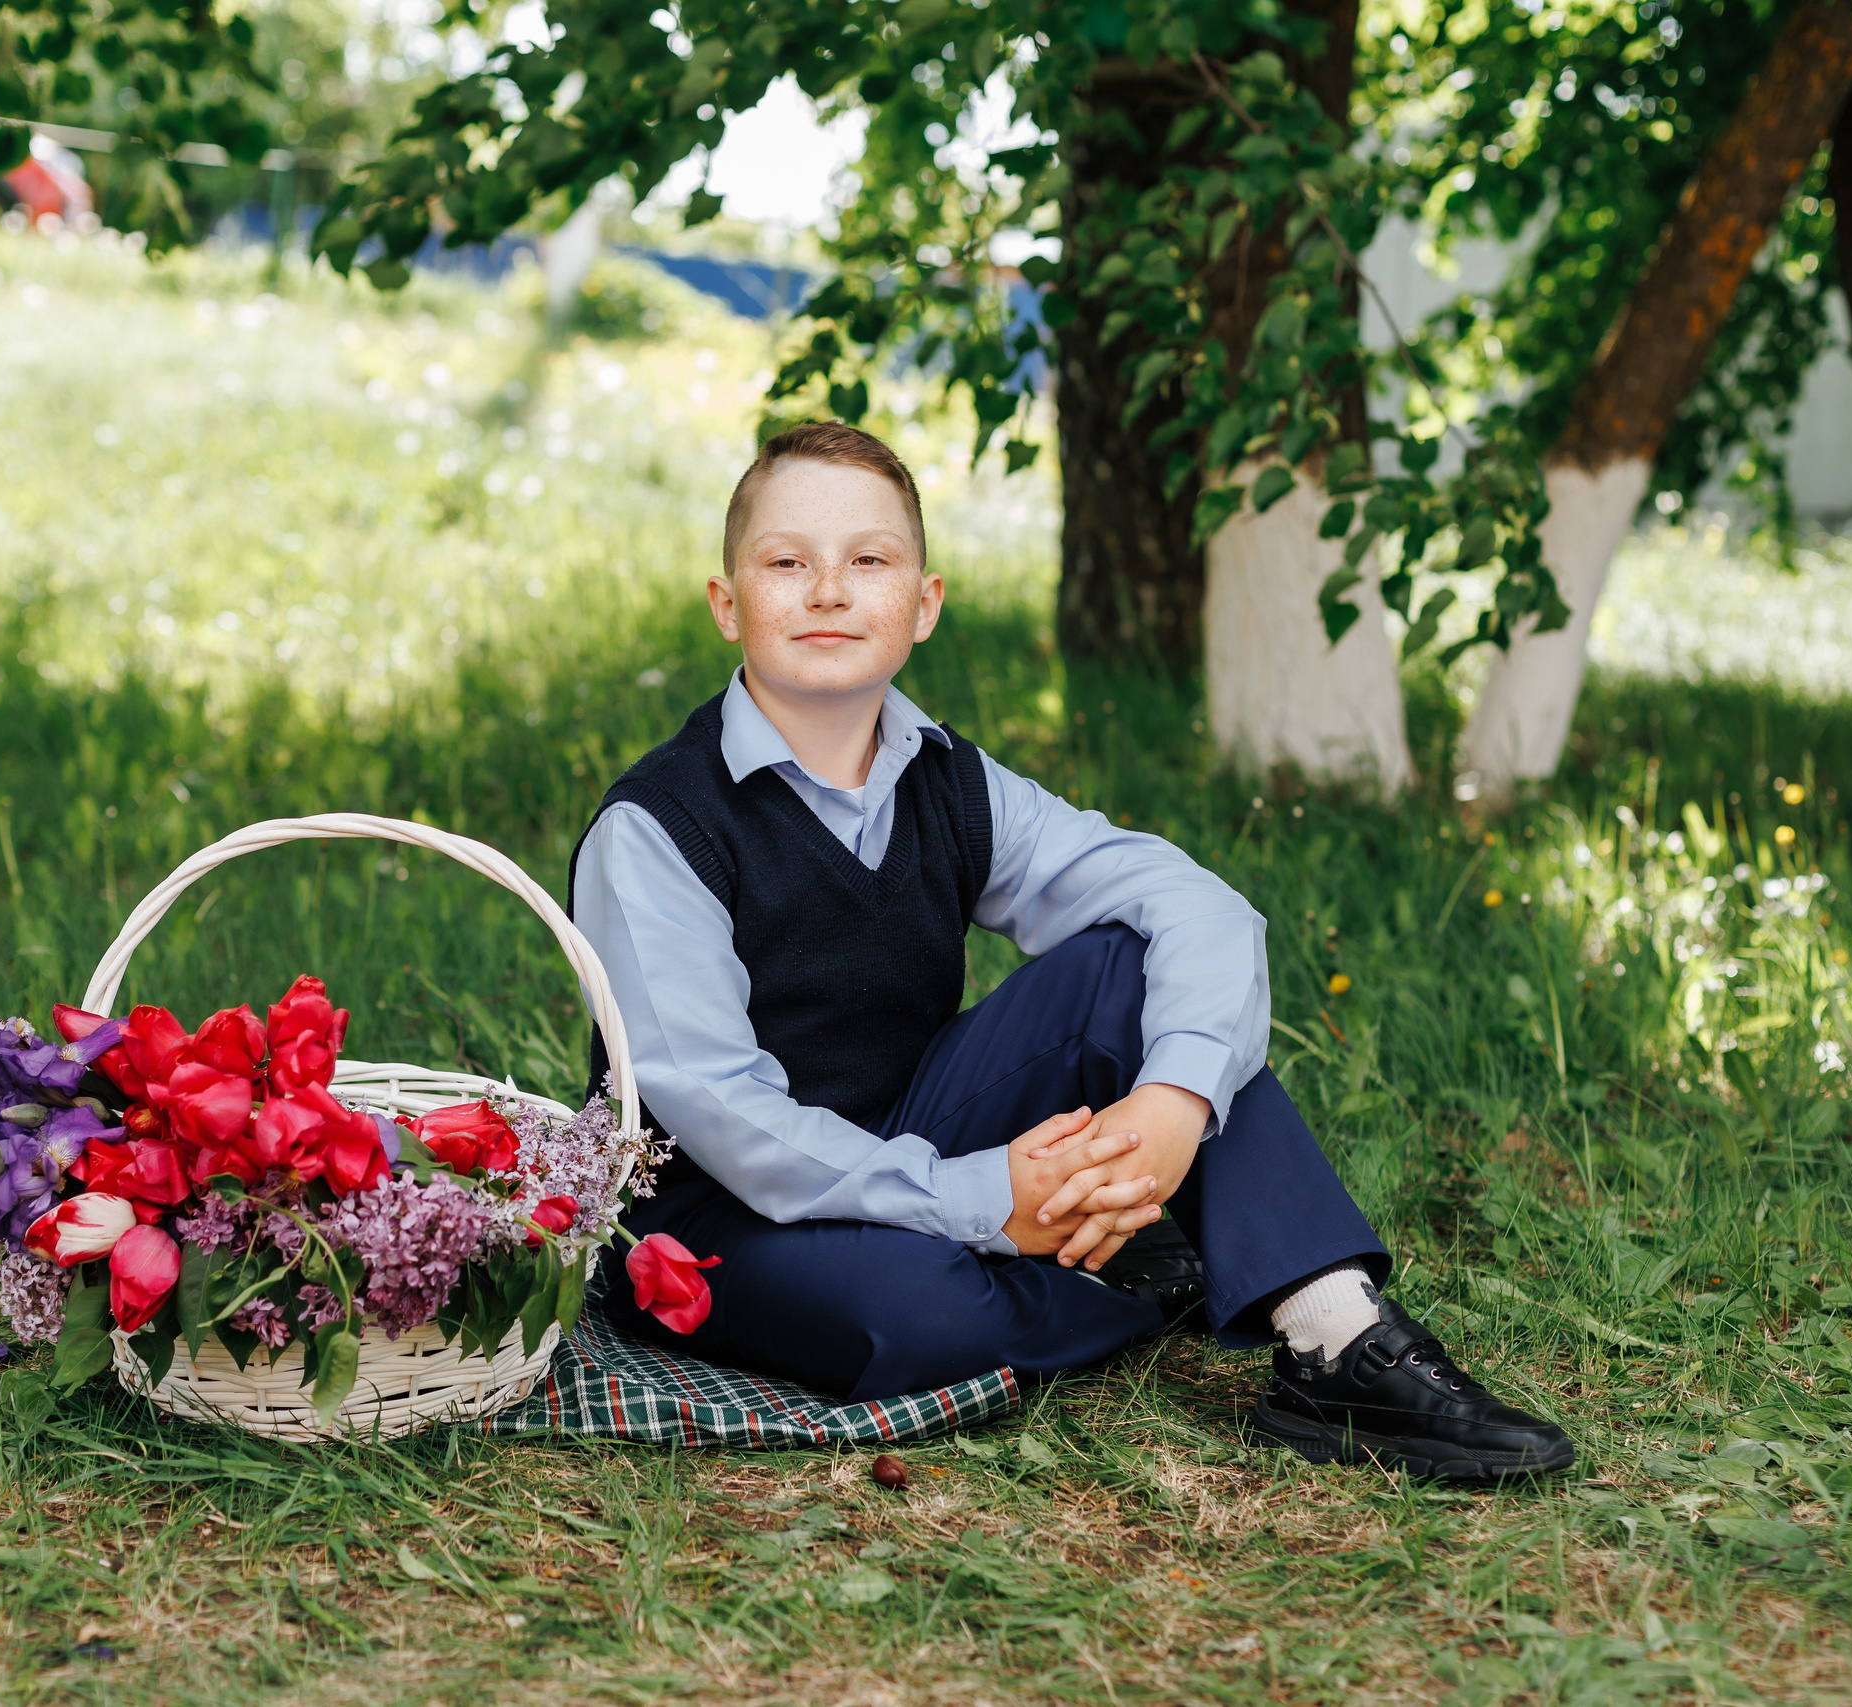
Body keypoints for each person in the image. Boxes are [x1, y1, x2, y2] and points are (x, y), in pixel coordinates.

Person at [570, 422, 1573, 1481]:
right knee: (909, 1318)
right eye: (786, 562)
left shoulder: (951, 782)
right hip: (716, 1214)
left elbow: (1196, 906)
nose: (827, 590)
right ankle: (1126, 1263)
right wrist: (982, 1199)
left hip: (910, 1125)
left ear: (923, 606)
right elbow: (724, 1112)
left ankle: (1334, 1332)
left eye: (868, 560)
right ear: (728, 603)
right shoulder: (657, 828)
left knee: (1126, 970)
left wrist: (1171, 1109)